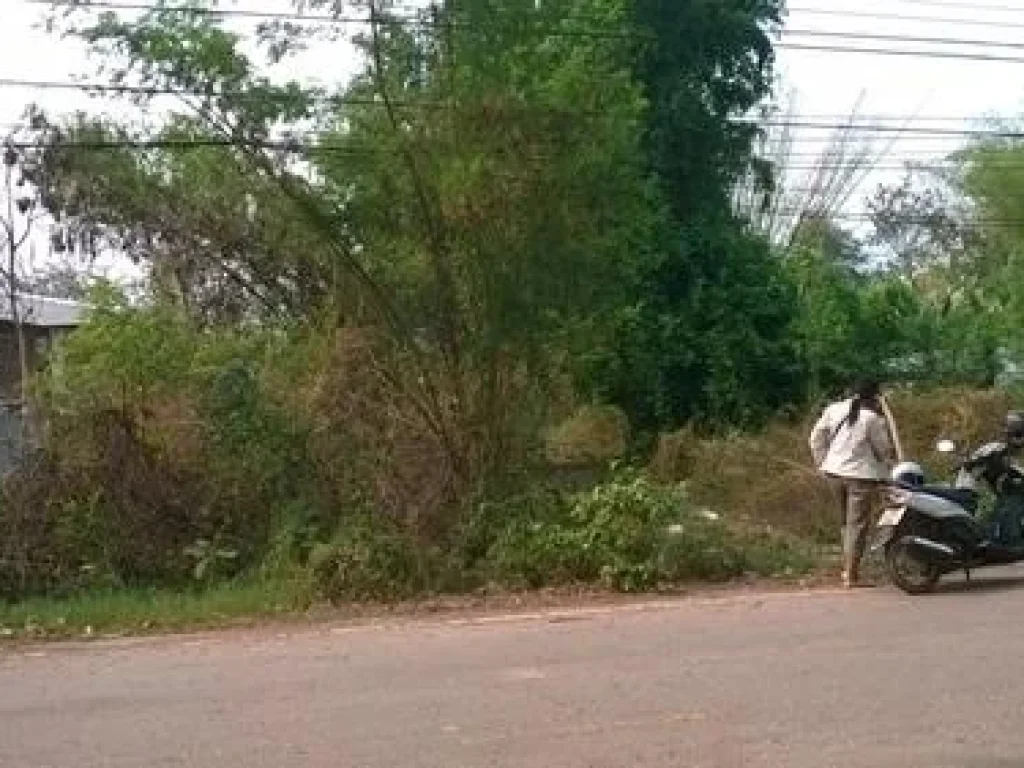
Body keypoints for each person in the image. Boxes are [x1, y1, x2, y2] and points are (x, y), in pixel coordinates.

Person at [809, 378, 896, 588]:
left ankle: (846, 569)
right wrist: (888, 469)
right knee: (857, 525)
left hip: (833, 473)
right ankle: (851, 575)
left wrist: (822, 463)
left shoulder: (833, 409)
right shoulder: (872, 419)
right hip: (860, 477)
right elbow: (884, 450)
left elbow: (815, 438)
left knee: (845, 523)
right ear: (874, 397)